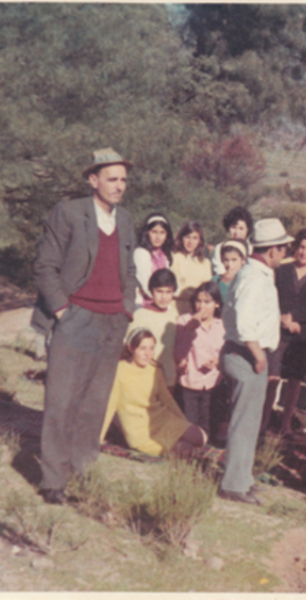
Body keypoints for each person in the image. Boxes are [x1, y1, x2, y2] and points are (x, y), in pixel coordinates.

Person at [31, 148, 136, 504]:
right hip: (75, 318)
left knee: (94, 404)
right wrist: (63, 311)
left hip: (112, 322)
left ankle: (80, 474)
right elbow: (45, 266)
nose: (119, 186)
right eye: (112, 179)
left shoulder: (126, 220)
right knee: (62, 401)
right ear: (93, 180)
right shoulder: (69, 213)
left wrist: (128, 309)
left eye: (123, 179)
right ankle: (53, 482)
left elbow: (130, 270)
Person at [219, 218, 294, 505]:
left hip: (246, 353)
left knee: (249, 422)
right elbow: (244, 319)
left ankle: (242, 479)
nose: (286, 251)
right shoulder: (253, 277)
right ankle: (233, 485)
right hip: (246, 354)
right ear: (272, 249)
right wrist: (259, 355)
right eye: (283, 247)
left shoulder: (256, 273)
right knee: (244, 422)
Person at [100, 328, 207, 457]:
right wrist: (99, 437)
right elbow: (109, 407)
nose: (148, 354)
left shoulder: (154, 368)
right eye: (142, 348)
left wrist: (184, 424)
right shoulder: (119, 370)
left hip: (161, 420)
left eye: (151, 348)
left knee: (201, 437)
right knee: (186, 449)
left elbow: (167, 400)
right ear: (131, 348)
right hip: (141, 432)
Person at [261, 228, 306, 435]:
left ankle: (286, 423)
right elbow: (268, 300)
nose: (304, 252)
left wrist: (301, 326)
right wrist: (279, 317)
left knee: (295, 381)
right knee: (272, 378)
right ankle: (264, 421)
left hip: (302, 338)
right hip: (277, 334)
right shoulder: (281, 271)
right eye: (301, 247)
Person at [174, 281, 225, 434]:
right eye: (198, 301)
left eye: (207, 302)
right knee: (190, 424)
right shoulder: (184, 320)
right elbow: (179, 351)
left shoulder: (222, 325)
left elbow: (226, 352)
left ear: (216, 304)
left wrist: (217, 361)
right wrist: (191, 328)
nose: (201, 306)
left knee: (208, 423)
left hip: (213, 382)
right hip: (190, 381)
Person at [128, 268, 179, 390]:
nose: (164, 297)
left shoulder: (174, 317)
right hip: (143, 375)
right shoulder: (140, 315)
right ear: (151, 291)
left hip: (168, 377)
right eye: (159, 291)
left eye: (168, 292)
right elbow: (129, 345)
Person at [171, 221, 212, 315]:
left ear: (200, 241)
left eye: (195, 238)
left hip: (196, 310)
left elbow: (205, 290)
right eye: (187, 237)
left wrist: (185, 282)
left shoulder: (205, 263)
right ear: (181, 238)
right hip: (176, 309)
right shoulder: (174, 258)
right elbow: (175, 289)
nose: (190, 242)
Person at [134, 212, 174, 308]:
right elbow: (146, 283)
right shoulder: (141, 253)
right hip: (143, 303)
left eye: (162, 232)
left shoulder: (165, 255)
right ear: (147, 233)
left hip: (161, 302)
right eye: (154, 232)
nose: (158, 237)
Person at [212, 206, 253, 276]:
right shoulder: (219, 248)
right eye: (234, 227)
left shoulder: (252, 250)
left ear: (247, 230)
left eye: (241, 228)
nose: (237, 232)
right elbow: (220, 272)